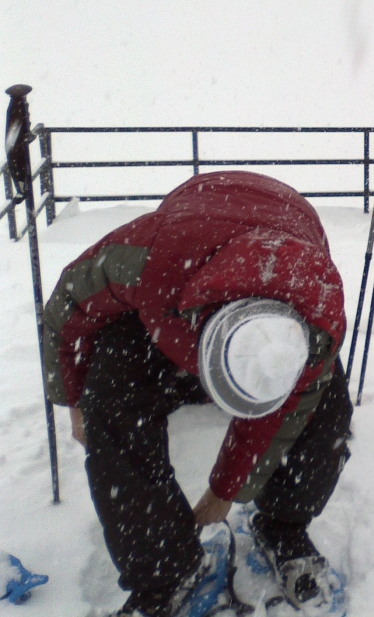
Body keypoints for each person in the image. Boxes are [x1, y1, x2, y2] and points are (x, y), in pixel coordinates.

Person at [42, 171, 352, 617]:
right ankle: (169, 569)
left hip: (288, 219)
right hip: (186, 262)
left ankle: (284, 524)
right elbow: (69, 307)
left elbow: (283, 411)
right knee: (108, 396)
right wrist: (73, 400)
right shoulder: (150, 259)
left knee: (326, 406)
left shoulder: (318, 320)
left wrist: (225, 489)